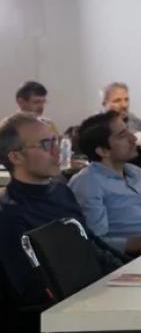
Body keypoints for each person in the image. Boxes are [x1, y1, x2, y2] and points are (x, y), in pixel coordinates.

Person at [0, 113, 123, 310]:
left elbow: (90, 244)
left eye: (56, 141)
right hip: (65, 310)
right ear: (16, 157)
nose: (57, 151)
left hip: (96, 292)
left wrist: (129, 271)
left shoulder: (61, 191)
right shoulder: (9, 214)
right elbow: (32, 290)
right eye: (46, 145)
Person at [68, 111, 141, 255]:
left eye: (128, 131)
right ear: (103, 151)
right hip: (134, 258)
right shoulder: (88, 183)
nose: (133, 138)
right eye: (122, 135)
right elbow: (96, 243)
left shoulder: (137, 173)